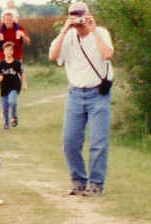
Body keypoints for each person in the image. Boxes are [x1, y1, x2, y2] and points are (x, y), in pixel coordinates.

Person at [48, 1, 114, 196]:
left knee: (98, 142)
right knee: (69, 141)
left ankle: (96, 184)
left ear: (88, 14)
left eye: (80, 14)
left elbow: (107, 54)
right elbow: (52, 56)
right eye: (73, 14)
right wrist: (63, 30)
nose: (77, 18)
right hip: (76, 94)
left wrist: (92, 30)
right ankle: (78, 181)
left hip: (98, 95)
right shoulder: (67, 36)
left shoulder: (100, 33)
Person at [0, 42, 27, 129]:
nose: (8, 52)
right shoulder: (0, 64)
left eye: (10, 50)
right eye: (6, 50)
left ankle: (14, 116)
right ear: (3, 52)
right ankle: (6, 124)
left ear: (12, 51)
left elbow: (22, 74)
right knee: (4, 108)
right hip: (4, 88)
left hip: (14, 87)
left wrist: (24, 84)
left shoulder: (17, 63)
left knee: (12, 101)